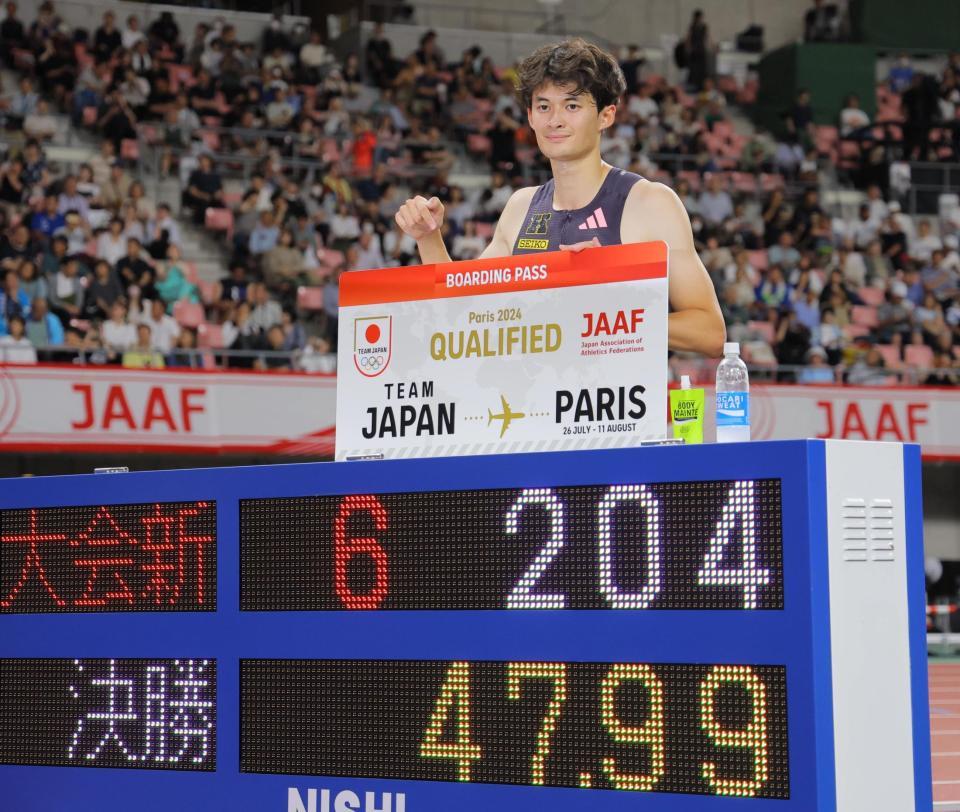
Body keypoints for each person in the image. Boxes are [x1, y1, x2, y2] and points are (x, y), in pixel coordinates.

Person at [394, 38, 724, 357]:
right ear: (530, 117)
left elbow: (710, 333)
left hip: (616, 410)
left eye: (572, 105)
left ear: (606, 116)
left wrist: (611, 300)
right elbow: (464, 311)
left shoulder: (649, 204)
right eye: (543, 106)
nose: (555, 120)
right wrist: (428, 238)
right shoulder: (520, 208)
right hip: (534, 409)